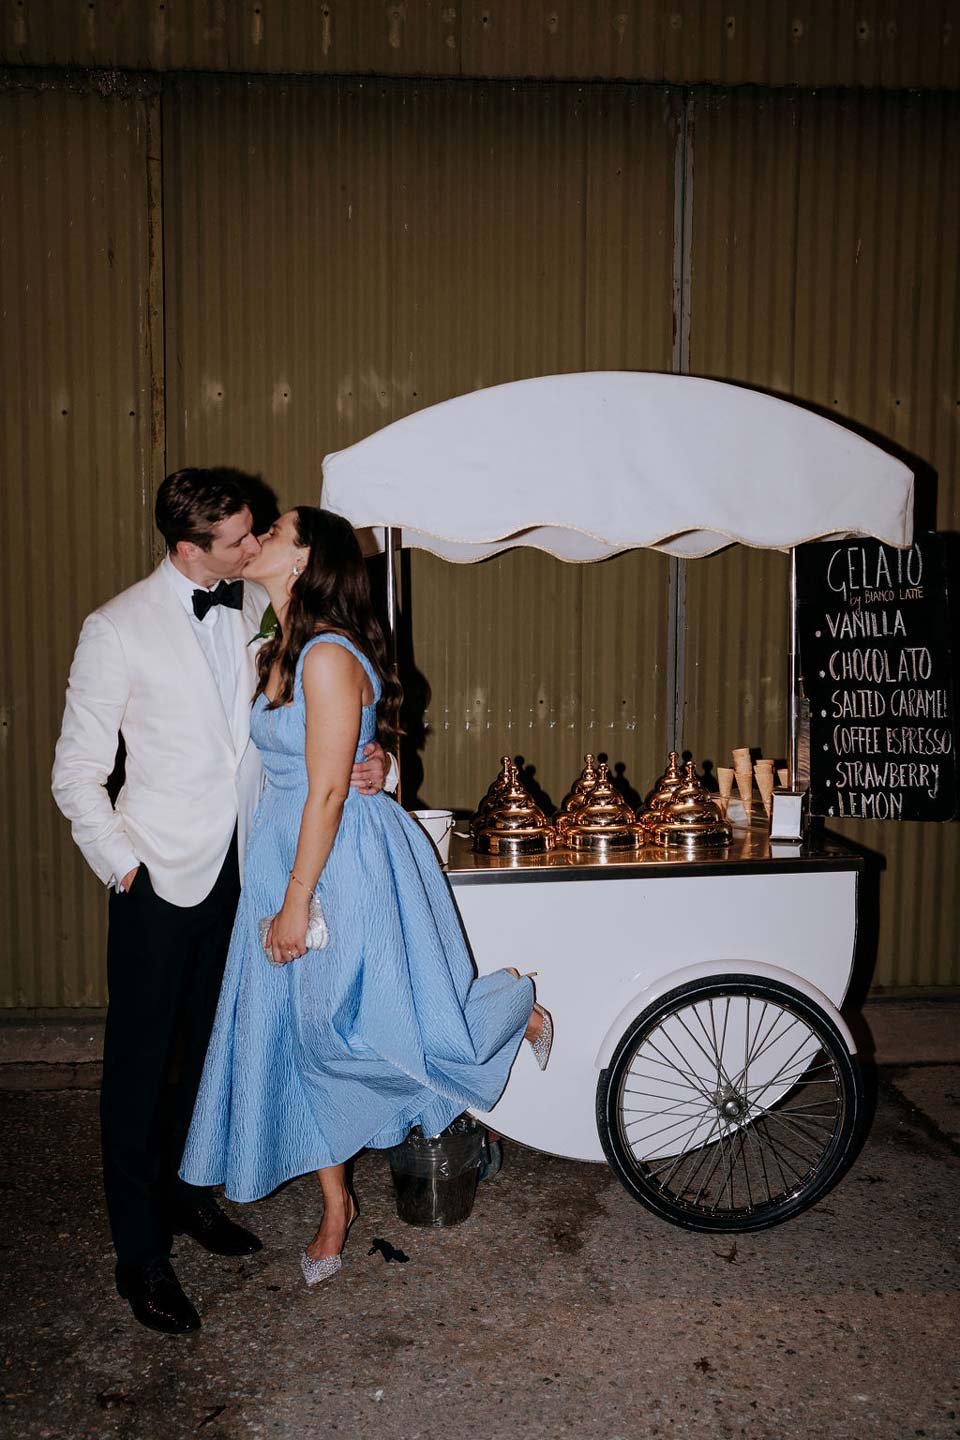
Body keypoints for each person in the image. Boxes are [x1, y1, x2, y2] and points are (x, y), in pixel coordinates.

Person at [51, 470, 390, 1335]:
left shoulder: (257, 619)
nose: (251, 549)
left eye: (254, 534)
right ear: (188, 548)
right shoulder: (115, 627)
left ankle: (189, 1197)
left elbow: (310, 734)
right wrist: (126, 868)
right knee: (136, 1072)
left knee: (208, 1056)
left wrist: (373, 764)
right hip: (158, 882)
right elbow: (75, 775)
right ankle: (142, 1255)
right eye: (236, 540)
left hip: (247, 878)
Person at [180, 506, 552, 1286]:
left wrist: (294, 901)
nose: (258, 543)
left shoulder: (323, 655)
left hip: (336, 861)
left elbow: (326, 793)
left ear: (305, 558)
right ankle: (336, 1205)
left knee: (344, 1032)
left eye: (273, 532)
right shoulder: (275, 649)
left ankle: (510, 1012)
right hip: (284, 851)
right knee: (294, 1035)